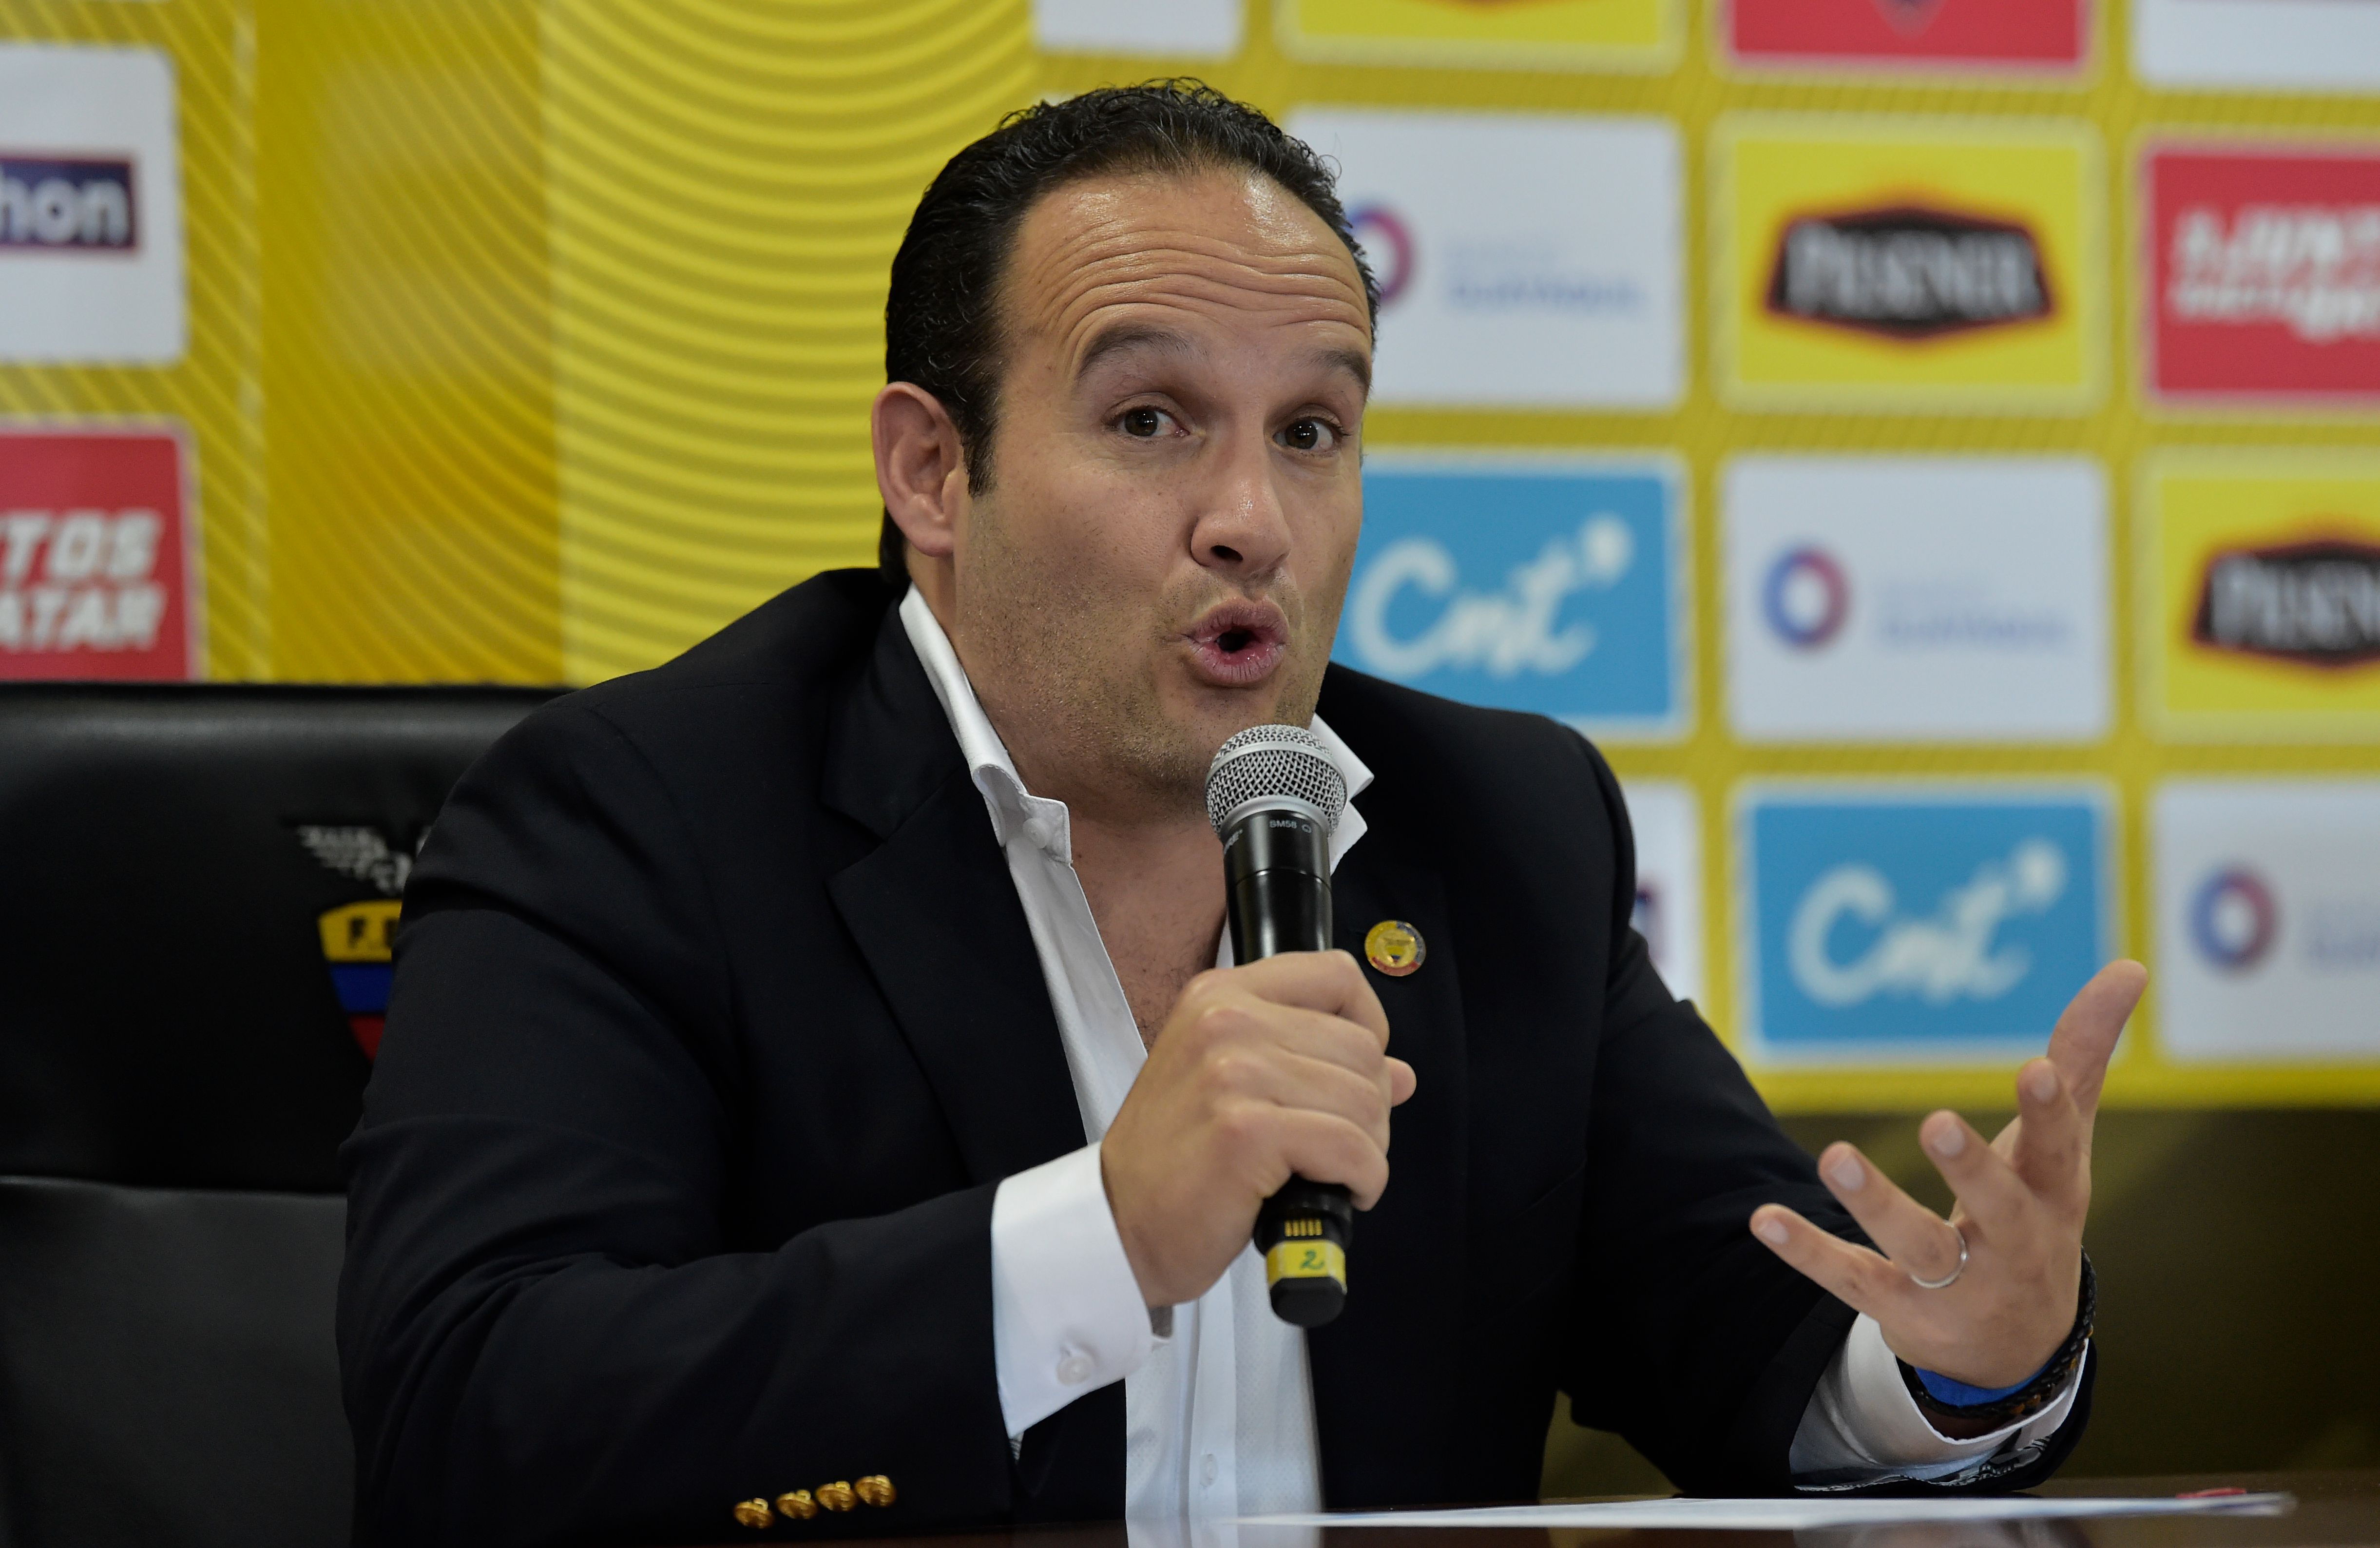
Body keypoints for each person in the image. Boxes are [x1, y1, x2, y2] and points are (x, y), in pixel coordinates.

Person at [338, 82, 2140, 1546]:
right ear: (929, 473)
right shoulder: (639, 816)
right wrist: (1100, 1233)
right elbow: (471, 1416)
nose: (1251, 521)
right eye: (1147, 421)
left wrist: (1956, 1367)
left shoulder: (1495, 827)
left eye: (1310, 432)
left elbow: (1744, 1346)